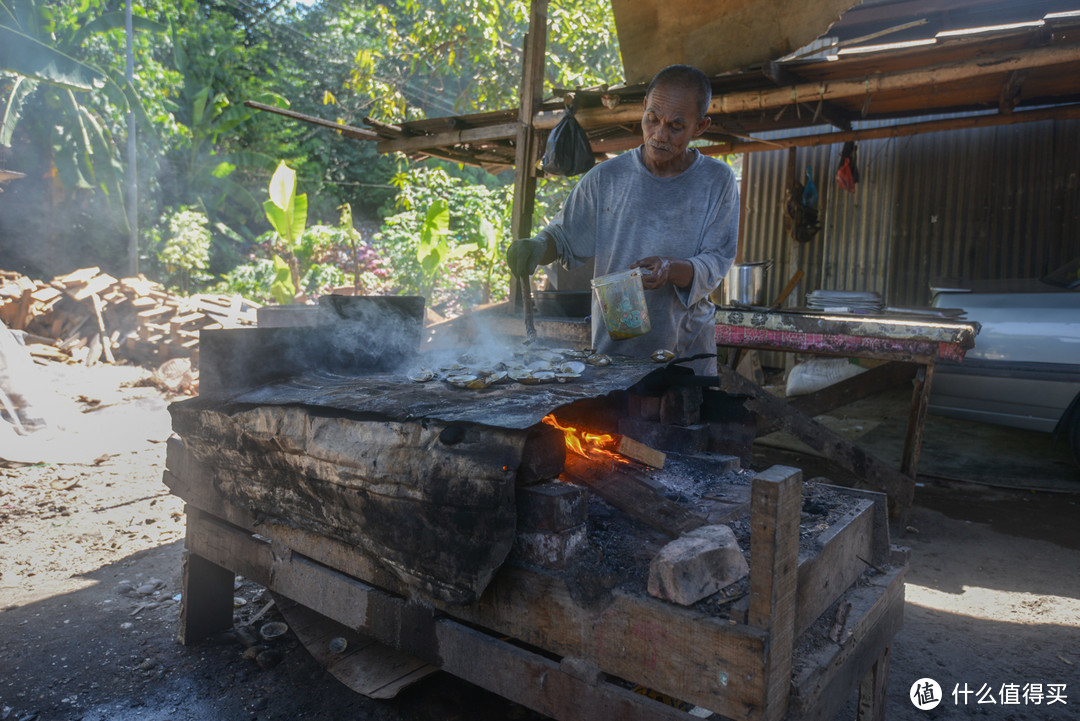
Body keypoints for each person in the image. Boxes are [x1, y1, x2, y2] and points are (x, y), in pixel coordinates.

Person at [507, 64, 738, 376]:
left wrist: (671, 270)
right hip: (615, 354)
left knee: (684, 420)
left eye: (676, 126)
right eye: (652, 119)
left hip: (687, 350)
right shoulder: (606, 178)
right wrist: (537, 245)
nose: (659, 135)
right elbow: (563, 237)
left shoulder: (716, 180)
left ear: (700, 126)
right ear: (643, 107)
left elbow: (717, 260)